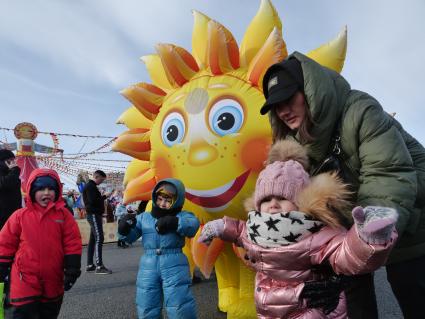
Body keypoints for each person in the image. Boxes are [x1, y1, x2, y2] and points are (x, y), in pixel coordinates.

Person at [260, 52, 425, 318]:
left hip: (411, 210)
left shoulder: (360, 110)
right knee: (348, 286)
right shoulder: (296, 145)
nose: (283, 111)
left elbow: (388, 175)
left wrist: (365, 240)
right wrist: (268, 244)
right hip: (352, 220)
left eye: (289, 98)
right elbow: (294, 202)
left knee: (409, 285)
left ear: (310, 91)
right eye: (276, 106)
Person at [198, 140, 398, 319]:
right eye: (266, 199)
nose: (273, 204)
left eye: (282, 198)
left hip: (309, 310)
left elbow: (345, 253)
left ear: (300, 202)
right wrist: (219, 226)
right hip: (268, 310)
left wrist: (367, 238)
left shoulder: (313, 232)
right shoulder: (255, 227)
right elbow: (239, 230)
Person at [0, 168, 82, 319]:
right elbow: (5, 243)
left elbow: (72, 242)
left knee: (49, 313)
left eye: (51, 188)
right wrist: (2, 266)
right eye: (41, 189)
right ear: (31, 190)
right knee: (23, 314)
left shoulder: (64, 216)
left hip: (53, 278)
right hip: (23, 279)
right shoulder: (20, 216)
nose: (46, 193)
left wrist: (72, 268)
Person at [118, 178, 200, 319]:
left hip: (175, 264)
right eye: (160, 199)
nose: (162, 204)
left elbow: (192, 225)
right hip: (148, 265)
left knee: (179, 304)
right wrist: (123, 230)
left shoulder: (182, 215)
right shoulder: (144, 217)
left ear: (177, 200)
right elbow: (130, 237)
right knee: (146, 303)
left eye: (168, 201)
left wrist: (174, 222)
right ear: (155, 198)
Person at [82, 170, 112, 275]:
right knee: (99, 237)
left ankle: (90, 265)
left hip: (94, 214)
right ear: (96, 176)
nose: (101, 182)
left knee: (93, 239)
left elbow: (93, 202)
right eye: (101, 179)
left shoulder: (91, 186)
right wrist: (104, 196)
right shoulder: (90, 186)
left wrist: (100, 213)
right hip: (93, 215)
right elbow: (93, 201)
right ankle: (99, 266)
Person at [0, 149, 22, 230]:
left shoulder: (11, 173)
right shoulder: (12, 172)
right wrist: (14, 170)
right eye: (10, 160)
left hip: (13, 213)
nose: (13, 162)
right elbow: (5, 183)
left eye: (14, 160)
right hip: (2, 215)